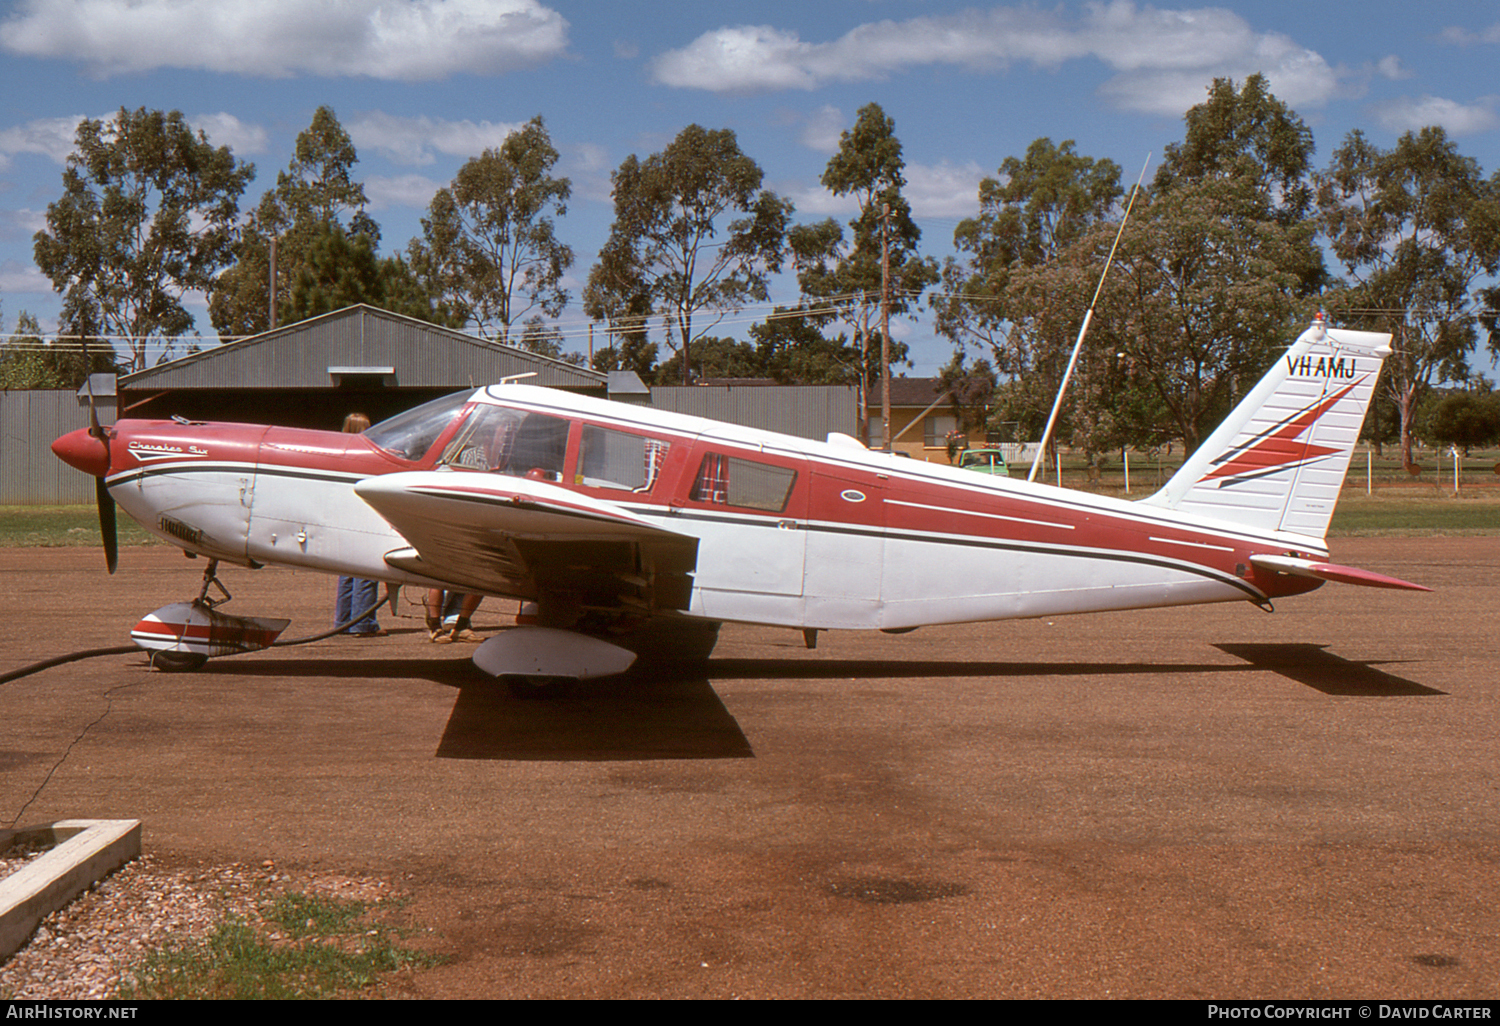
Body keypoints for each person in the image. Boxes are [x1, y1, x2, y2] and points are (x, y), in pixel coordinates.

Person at [336, 413, 386, 637]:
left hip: (341, 516)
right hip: (363, 515)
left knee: (347, 572)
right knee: (367, 570)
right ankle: (364, 622)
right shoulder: (366, 456)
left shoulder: (338, 454)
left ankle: (343, 621)